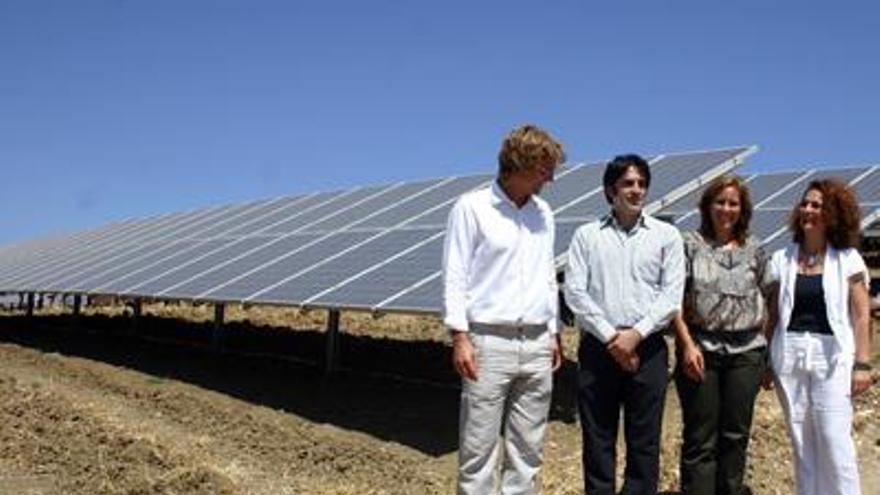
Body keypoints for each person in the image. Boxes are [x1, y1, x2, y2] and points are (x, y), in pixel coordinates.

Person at [443, 124, 566, 495]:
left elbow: (547, 275)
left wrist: (554, 331)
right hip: (488, 343)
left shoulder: (543, 212)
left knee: (527, 452)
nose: (551, 178)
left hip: (536, 342)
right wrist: (460, 336)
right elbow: (455, 275)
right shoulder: (472, 208)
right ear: (520, 164)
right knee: (478, 450)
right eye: (544, 169)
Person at [564, 154, 685, 495]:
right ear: (610, 190)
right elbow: (575, 293)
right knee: (598, 440)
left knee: (644, 444)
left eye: (642, 183)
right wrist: (612, 338)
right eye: (628, 183)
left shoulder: (667, 236)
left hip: (648, 351)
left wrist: (635, 335)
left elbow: (670, 296)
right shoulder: (586, 236)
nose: (636, 190)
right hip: (598, 350)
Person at [766, 178, 873, 495]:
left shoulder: (847, 258)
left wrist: (863, 364)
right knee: (801, 441)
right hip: (790, 355)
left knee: (833, 438)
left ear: (833, 214)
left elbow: (861, 312)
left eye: (817, 205)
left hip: (832, 356)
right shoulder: (782, 258)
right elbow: (772, 313)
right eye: (805, 203)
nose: (808, 210)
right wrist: (765, 362)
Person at [672, 175, 770, 495]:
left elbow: (773, 296)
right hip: (701, 348)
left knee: (735, 435)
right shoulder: (689, 245)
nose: (726, 209)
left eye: (733, 203)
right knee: (700, 437)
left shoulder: (755, 249)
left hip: (747, 353)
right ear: (707, 206)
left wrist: (765, 343)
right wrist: (686, 345)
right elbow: (673, 301)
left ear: (742, 209)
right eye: (720, 202)